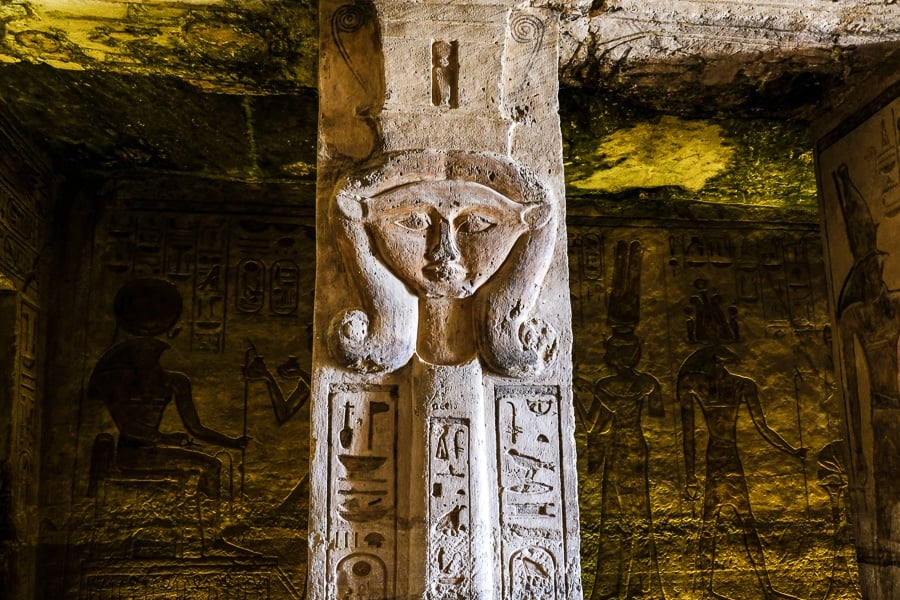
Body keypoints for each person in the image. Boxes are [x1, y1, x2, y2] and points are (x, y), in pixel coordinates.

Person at [88, 279, 249, 500]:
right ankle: (201, 521)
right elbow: (128, 427)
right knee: (208, 466)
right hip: (131, 455)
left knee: (212, 465)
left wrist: (232, 442)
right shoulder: (117, 377)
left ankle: (209, 523)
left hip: (153, 450)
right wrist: (164, 438)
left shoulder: (175, 381)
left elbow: (197, 429)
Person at [679, 345, 806, 600]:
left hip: (722, 458)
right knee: (714, 525)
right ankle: (708, 590)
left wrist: (792, 451)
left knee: (731, 524)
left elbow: (763, 427)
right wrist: (690, 476)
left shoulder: (734, 386)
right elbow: (689, 435)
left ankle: (765, 590)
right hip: (720, 460)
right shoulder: (710, 386)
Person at [578, 333, 665, 599]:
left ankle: (630, 588)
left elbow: (597, 421)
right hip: (627, 448)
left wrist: (586, 393)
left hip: (626, 450)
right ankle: (625, 585)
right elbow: (596, 426)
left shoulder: (611, 386)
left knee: (631, 520)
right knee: (624, 517)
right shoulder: (643, 383)